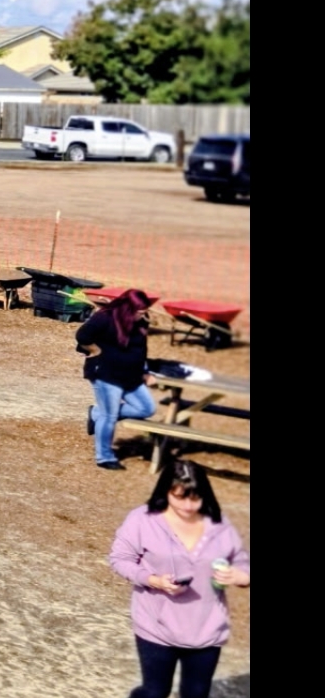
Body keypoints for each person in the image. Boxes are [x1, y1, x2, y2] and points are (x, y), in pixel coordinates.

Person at [108, 460, 248, 698]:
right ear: (165, 492)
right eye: (180, 497)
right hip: (157, 626)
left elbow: (242, 561)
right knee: (154, 692)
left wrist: (239, 575)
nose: (188, 506)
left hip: (207, 630)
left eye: (195, 498)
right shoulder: (142, 520)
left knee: (196, 694)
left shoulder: (218, 523)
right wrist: (152, 579)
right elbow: (120, 558)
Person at [80, 289, 158, 470]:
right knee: (110, 416)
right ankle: (104, 457)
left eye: (145, 311)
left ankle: (95, 414)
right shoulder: (105, 318)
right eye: (140, 311)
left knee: (147, 408)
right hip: (106, 374)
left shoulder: (141, 323)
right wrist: (94, 350)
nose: (143, 315)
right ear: (127, 308)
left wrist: (144, 372)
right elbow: (82, 336)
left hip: (131, 375)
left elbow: (141, 350)